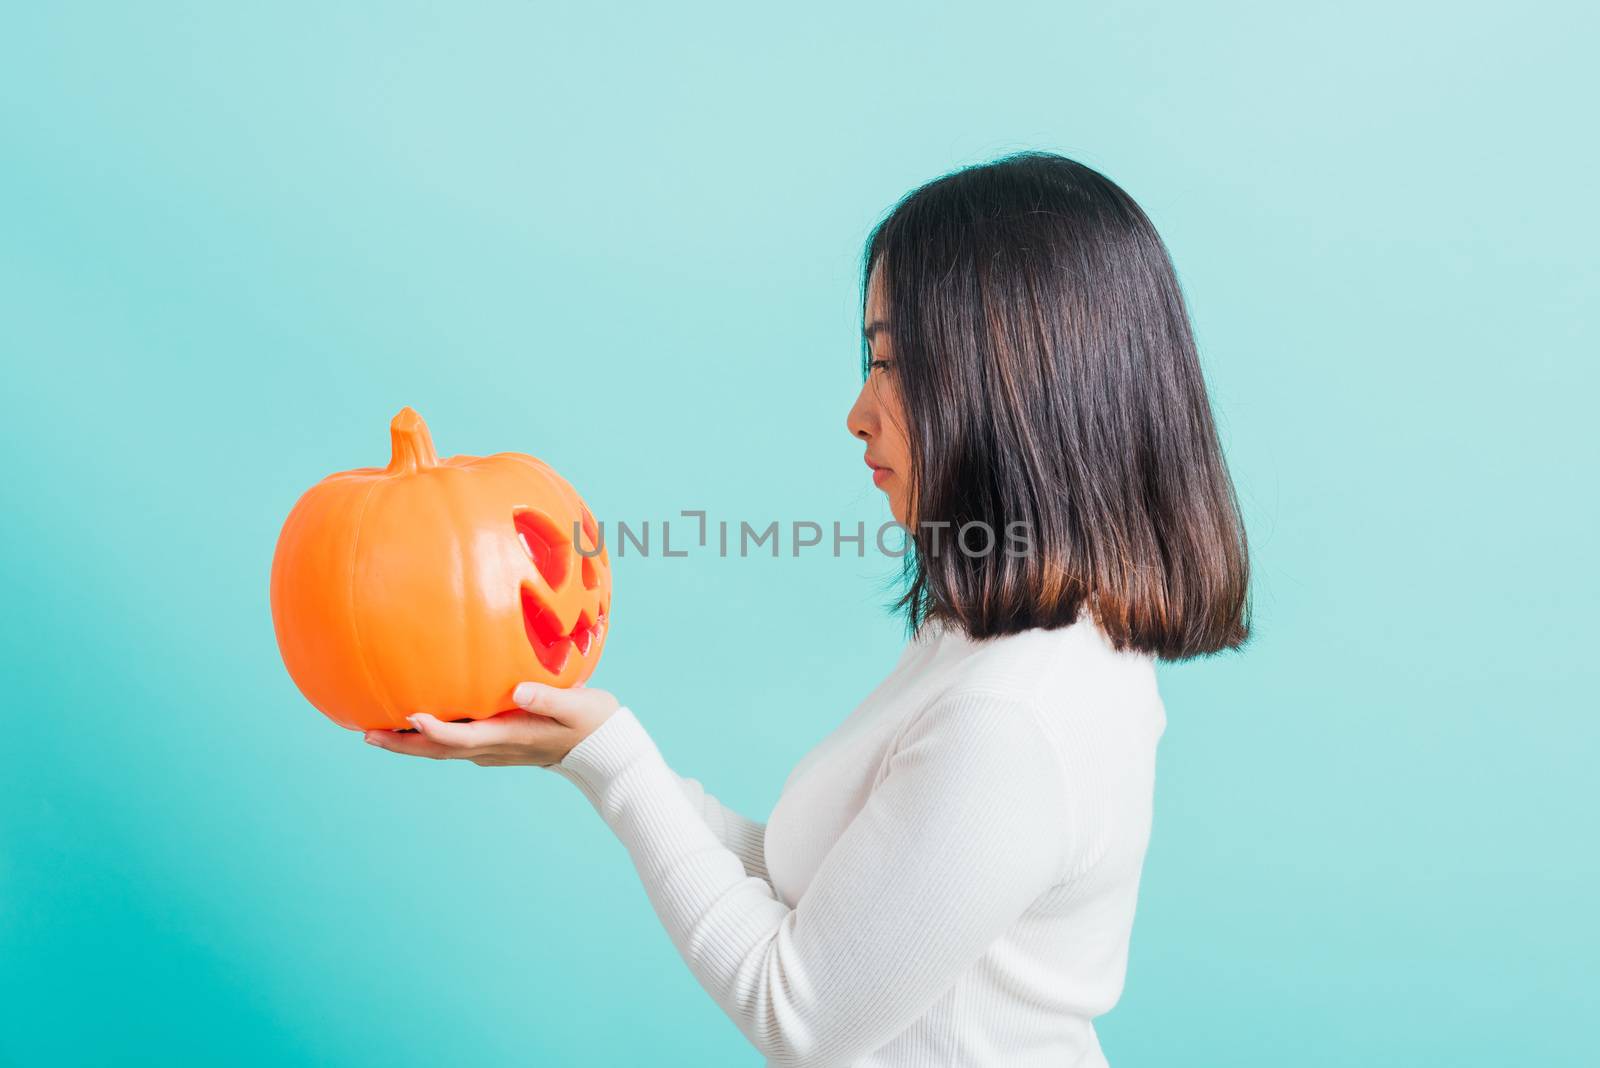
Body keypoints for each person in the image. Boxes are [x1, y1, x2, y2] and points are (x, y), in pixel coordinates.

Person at [366, 150, 1251, 1067]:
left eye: (898, 365)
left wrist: (613, 759)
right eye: (872, 358)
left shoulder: (1014, 718)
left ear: (1023, 388)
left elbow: (799, 1013)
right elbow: (817, 891)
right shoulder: (991, 645)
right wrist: (585, 749)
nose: (859, 413)